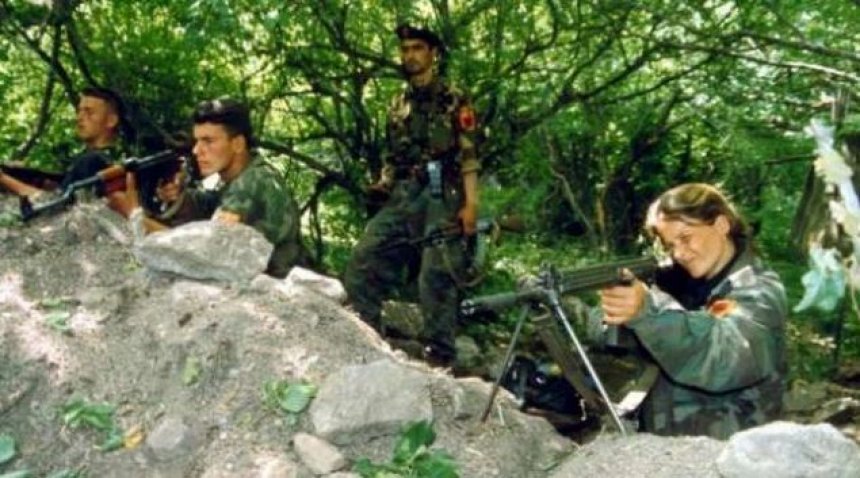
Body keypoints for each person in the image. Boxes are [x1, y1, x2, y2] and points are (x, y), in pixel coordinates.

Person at [596, 183, 787, 438]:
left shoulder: (759, 289)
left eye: (686, 238)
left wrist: (648, 311)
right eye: (670, 245)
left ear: (721, 225)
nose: (679, 254)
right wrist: (614, 309)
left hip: (734, 448)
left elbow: (724, 359)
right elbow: (614, 338)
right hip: (673, 441)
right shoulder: (680, 281)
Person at [343, 24, 481, 367]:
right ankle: (366, 342)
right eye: (405, 49)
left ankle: (440, 358)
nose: (410, 56)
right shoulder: (398, 104)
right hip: (404, 194)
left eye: (418, 48)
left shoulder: (454, 98)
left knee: (436, 273)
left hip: (443, 193)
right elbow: (392, 157)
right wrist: (382, 184)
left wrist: (471, 204)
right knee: (364, 259)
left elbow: (469, 155)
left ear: (433, 54)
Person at [114, 97, 305, 278]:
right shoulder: (246, 175)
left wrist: (134, 216)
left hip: (276, 288)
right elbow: (212, 204)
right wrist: (180, 198)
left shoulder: (252, 183)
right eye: (197, 141)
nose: (196, 150)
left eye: (208, 141)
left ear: (238, 144)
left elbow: (206, 254)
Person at [0, 86, 123, 199]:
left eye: (89, 112)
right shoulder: (108, 162)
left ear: (111, 120)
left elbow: (54, 205)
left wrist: (4, 179)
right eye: (79, 111)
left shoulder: (93, 161)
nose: (79, 118)